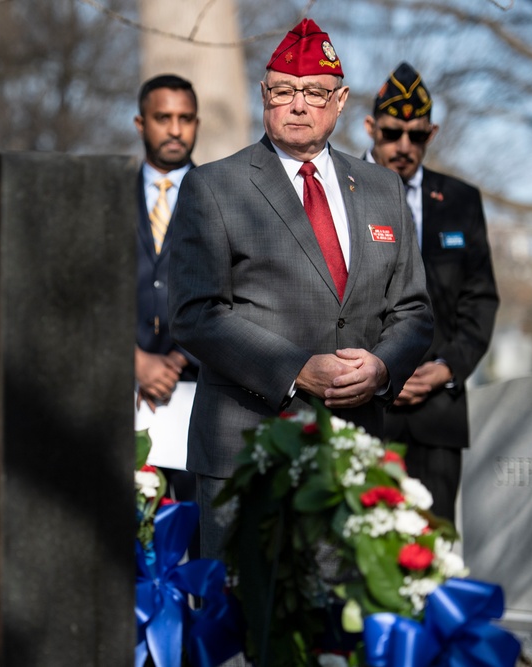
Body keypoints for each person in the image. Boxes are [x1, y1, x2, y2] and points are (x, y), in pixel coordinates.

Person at [166, 19, 433, 562]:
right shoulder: (215, 186)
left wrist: (381, 369)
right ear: (264, 96)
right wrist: (294, 368)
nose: (297, 106)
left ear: (340, 101)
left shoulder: (382, 188)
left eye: (313, 92)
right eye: (283, 91)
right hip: (246, 453)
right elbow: (195, 313)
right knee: (243, 632)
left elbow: (413, 309)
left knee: (342, 630)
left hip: (353, 454)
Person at [366, 62, 499, 524]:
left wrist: (446, 368)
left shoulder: (461, 201)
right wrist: (380, 370)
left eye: (416, 136)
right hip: (361, 407)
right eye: (391, 133)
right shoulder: (336, 188)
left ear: (433, 133)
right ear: (370, 128)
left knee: (433, 556)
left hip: (436, 413)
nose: (403, 147)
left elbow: (480, 299)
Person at [133, 74, 202, 514]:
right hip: (120, 392)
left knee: (200, 541)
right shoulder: (103, 195)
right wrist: (134, 360)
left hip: (200, 395)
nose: (176, 130)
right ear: (141, 123)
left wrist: (182, 356)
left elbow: (240, 291)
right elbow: (81, 293)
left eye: (186, 119)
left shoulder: (225, 195)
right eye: (164, 118)